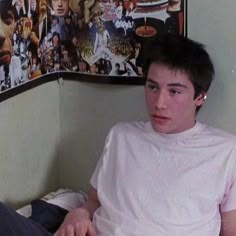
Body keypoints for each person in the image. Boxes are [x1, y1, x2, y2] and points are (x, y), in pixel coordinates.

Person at [0, 34, 236, 236]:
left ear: (200, 97)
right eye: (152, 87)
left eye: (174, 91)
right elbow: (93, 203)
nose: (159, 103)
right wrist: (78, 214)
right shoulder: (122, 136)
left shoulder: (225, 151)